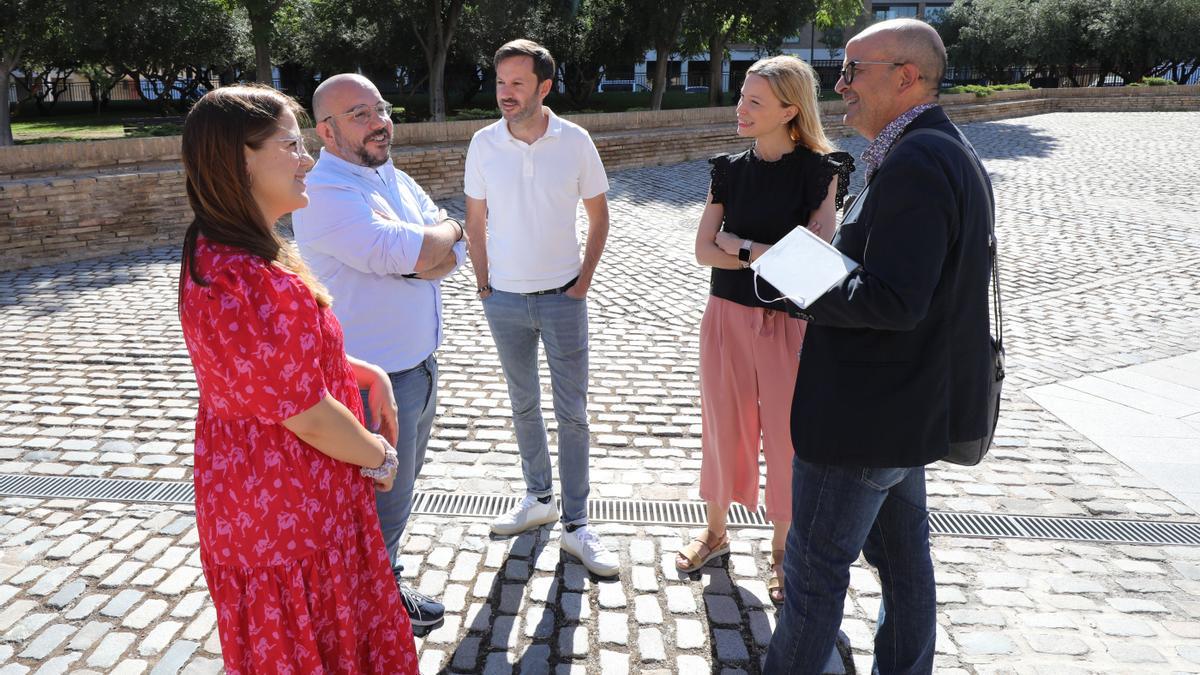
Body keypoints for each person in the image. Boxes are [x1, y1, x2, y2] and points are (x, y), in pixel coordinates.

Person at [763, 19, 995, 674]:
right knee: (903, 567)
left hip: (862, 421)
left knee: (812, 576)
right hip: (900, 416)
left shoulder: (920, 161)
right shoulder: (937, 148)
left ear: (906, 76)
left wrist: (803, 277)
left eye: (852, 71)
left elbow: (894, 299)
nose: (839, 86)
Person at [177, 84, 418, 674]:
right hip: (289, 508)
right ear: (242, 160)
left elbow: (262, 368)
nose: (308, 159)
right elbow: (305, 413)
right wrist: (380, 457)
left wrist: (360, 371)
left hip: (267, 496)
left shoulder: (222, 250)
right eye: (290, 145)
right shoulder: (246, 276)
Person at [675, 56, 852, 608]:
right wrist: (768, 253)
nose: (740, 108)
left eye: (754, 101)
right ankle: (716, 530)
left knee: (786, 438)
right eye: (741, 96)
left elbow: (809, 269)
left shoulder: (824, 172)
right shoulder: (727, 169)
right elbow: (703, 249)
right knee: (722, 426)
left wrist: (742, 245)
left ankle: (782, 551)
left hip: (790, 326)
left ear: (789, 110)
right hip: (724, 317)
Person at [291, 73, 462, 634]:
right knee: (373, 503)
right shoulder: (326, 191)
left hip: (417, 366)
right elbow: (406, 250)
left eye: (381, 109)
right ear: (327, 130)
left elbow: (440, 252)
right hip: (367, 382)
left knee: (397, 493)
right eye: (360, 114)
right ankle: (371, 616)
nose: (380, 122)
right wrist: (435, 240)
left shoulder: (394, 177)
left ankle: (382, 586)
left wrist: (433, 243)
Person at [463, 39, 617, 577]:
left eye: (517, 84)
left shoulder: (575, 142)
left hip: (562, 298)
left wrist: (582, 285)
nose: (505, 93)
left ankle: (577, 524)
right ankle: (539, 499)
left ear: (544, 87)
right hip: (503, 299)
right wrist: (483, 283)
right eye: (501, 82)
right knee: (523, 405)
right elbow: (474, 221)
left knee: (572, 413)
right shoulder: (482, 143)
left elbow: (599, 219)